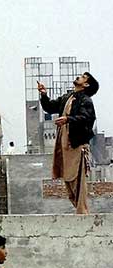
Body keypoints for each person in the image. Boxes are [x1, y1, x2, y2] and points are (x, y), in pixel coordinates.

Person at [38, 72, 98, 214]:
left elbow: (86, 117)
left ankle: (82, 212)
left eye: (83, 77)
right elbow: (51, 107)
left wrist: (68, 119)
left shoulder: (86, 100)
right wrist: (44, 95)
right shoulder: (68, 97)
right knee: (68, 180)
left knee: (78, 180)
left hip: (76, 144)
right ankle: (79, 210)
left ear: (86, 84)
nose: (79, 77)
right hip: (64, 143)